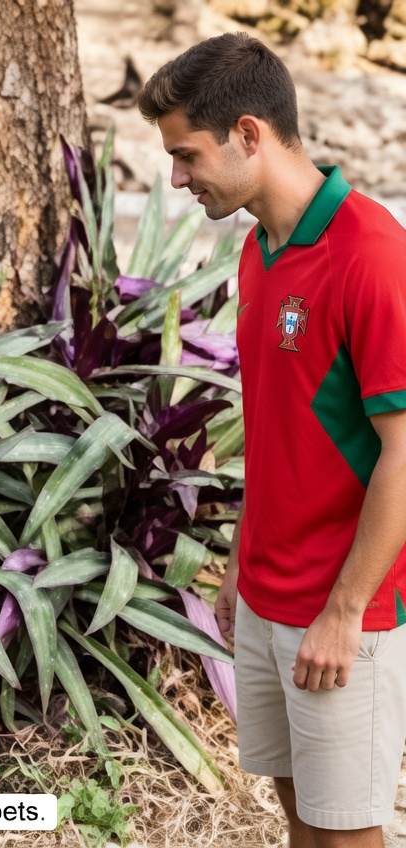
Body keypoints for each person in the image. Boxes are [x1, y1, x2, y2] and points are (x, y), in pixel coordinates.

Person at [138, 33, 406, 848]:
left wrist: (345, 610)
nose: (176, 179)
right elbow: (279, 429)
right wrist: (239, 568)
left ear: (248, 134)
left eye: (187, 156)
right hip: (267, 595)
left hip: (343, 611)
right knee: (300, 821)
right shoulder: (261, 250)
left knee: (348, 834)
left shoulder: (371, 255)